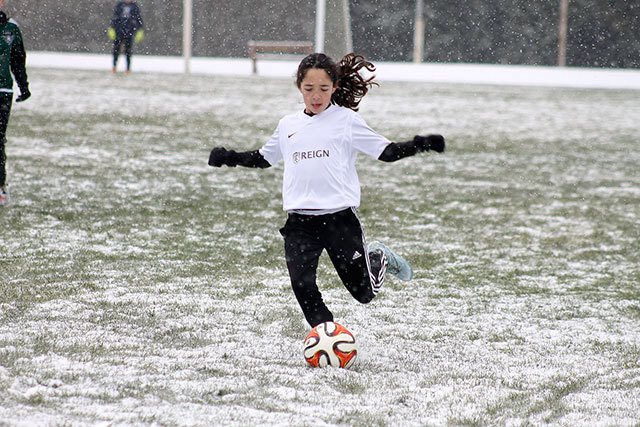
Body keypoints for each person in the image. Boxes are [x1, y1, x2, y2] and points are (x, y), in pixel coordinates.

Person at [207, 52, 445, 327]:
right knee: (301, 284)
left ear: (334, 87)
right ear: (299, 87)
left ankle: (377, 258)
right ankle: (326, 336)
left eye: (323, 89)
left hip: (339, 220)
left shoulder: (346, 121)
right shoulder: (288, 125)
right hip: (300, 222)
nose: (316, 96)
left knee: (363, 294)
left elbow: (387, 152)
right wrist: (229, 157)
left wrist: (422, 143)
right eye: (309, 89)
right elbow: (263, 158)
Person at [0, 0, 30, 206]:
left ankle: (0, 186)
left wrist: (23, 85)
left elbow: (17, 60)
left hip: (2, 91)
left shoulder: (11, 29)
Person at [108, 0, 144, 74]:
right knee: (116, 49)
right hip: (119, 31)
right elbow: (114, 18)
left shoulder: (135, 6)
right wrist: (111, 28)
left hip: (130, 31)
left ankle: (128, 69)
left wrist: (140, 30)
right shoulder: (119, 5)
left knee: (128, 50)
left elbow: (138, 19)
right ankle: (114, 67)